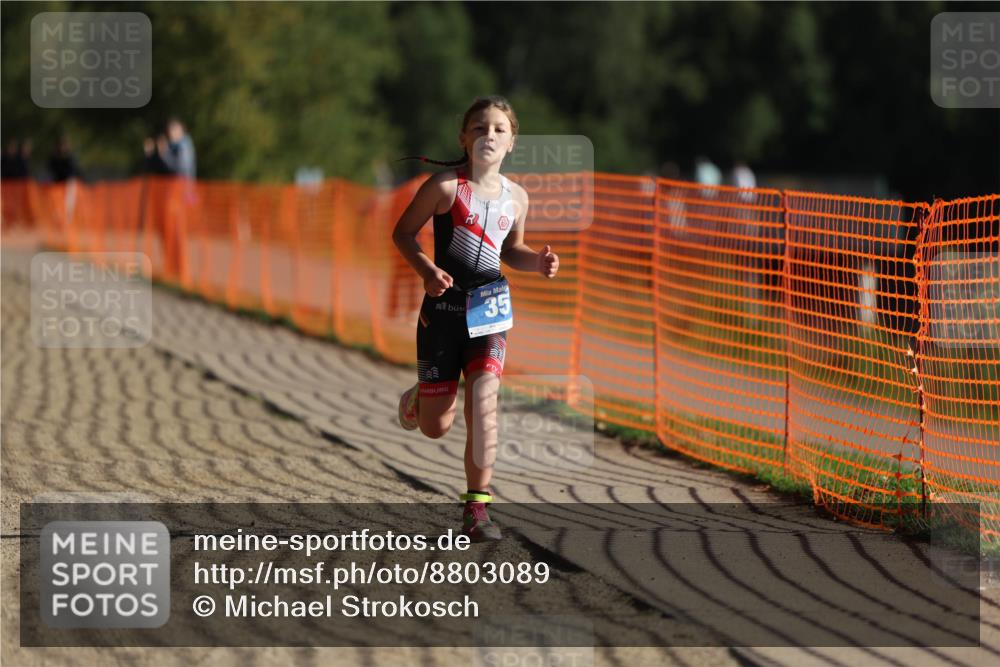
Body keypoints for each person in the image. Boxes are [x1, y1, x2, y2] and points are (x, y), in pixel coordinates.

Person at [392, 96, 559, 541]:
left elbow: (511, 250)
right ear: (464, 139)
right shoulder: (445, 187)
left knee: (485, 404)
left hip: (489, 311)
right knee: (436, 427)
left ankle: (477, 509)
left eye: (499, 129)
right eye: (480, 128)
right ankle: (420, 398)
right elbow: (403, 233)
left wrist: (537, 262)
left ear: (512, 142)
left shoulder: (517, 197)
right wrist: (428, 271)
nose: (489, 135)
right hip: (443, 313)